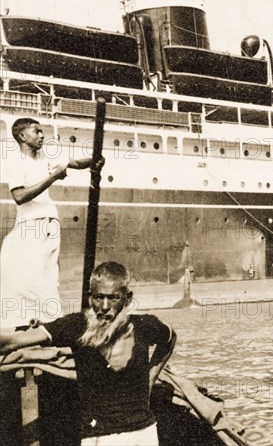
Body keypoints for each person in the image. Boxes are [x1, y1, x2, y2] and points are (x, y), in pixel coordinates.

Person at [0, 261, 176, 445]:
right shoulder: (76, 326)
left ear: (127, 298)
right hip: (99, 436)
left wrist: (149, 379)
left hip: (144, 433)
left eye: (113, 298)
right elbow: (14, 342)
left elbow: (170, 338)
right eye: (98, 297)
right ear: (90, 297)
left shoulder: (144, 326)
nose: (105, 306)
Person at [0, 118, 104, 329]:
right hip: (31, 226)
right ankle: (25, 326)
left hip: (47, 225)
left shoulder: (44, 159)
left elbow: (74, 164)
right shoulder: (16, 162)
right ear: (22, 136)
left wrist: (95, 160)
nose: (42, 135)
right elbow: (20, 196)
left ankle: (46, 327)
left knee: (46, 280)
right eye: (36, 131)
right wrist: (54, 176)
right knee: (23, 279)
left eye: (41, 131)